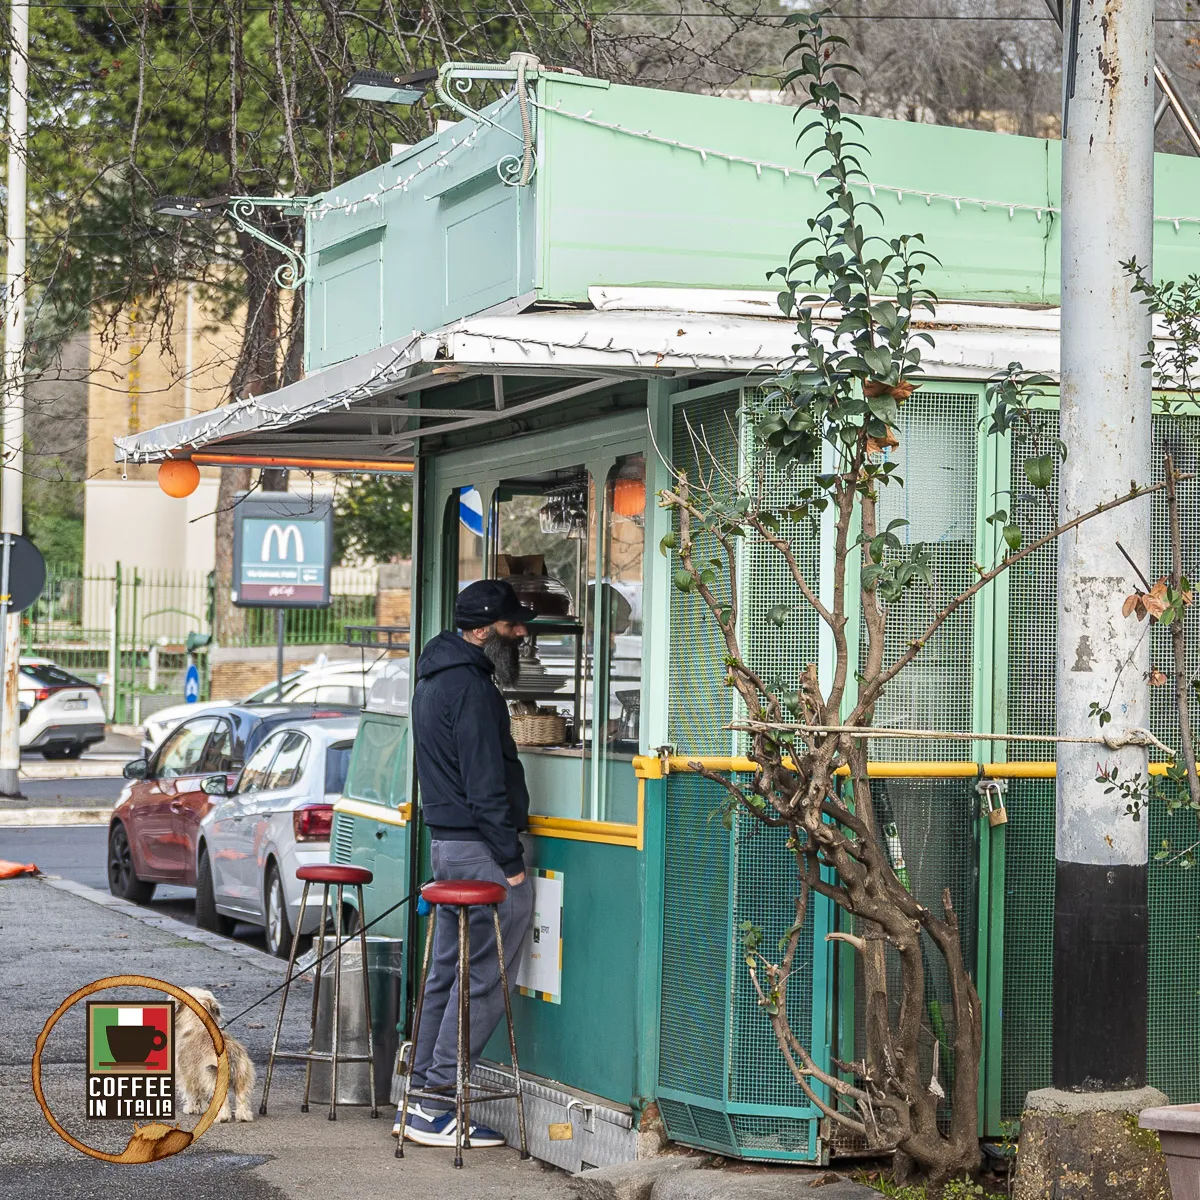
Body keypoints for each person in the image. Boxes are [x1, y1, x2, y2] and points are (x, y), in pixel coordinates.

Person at [397, 578, 536, 1148]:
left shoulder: (431, 679)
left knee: (445, 973)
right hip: (482, 851)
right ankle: (438, 1106)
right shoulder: (473, 688)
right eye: (511, 624)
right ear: (482, 631)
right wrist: (511, 860)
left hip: (447, 847)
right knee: (481, 977)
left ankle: (419, 1098)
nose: (521, 632)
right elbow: (484, 784)